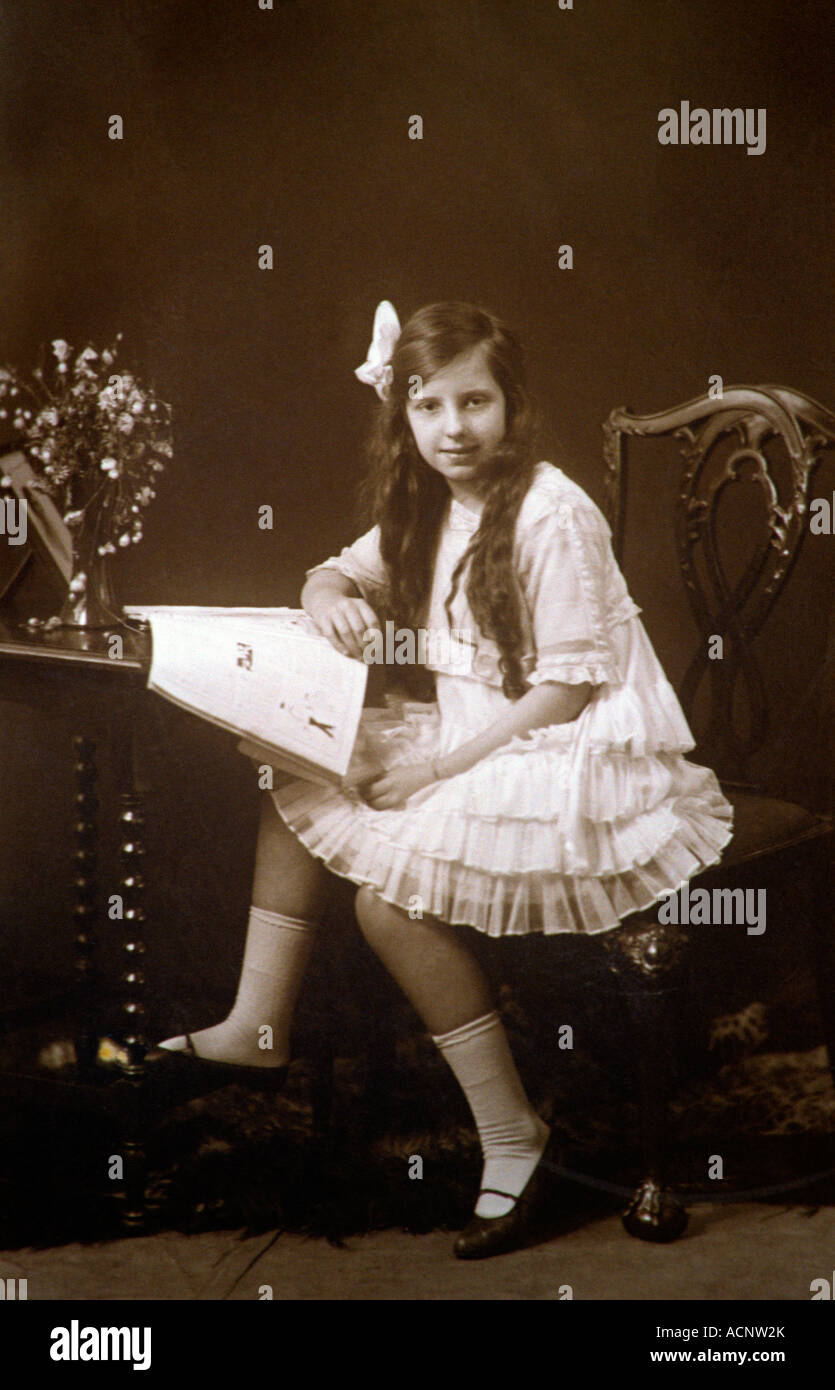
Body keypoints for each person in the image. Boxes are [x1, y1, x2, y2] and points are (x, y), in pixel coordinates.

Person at [153, 300, 734, 1258]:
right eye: (429, 407)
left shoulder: (551, 510)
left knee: (388, 905)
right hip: (476, 726)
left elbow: (566, 687)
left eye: (476, 402)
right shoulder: (424, 500)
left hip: (570, 750)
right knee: (293, 774)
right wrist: (329, 595)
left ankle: (515, 1136)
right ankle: (259, 1023)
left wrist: (435, 767)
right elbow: (333, 570)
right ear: (404, 416)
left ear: (512, 406)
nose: (453, 428)